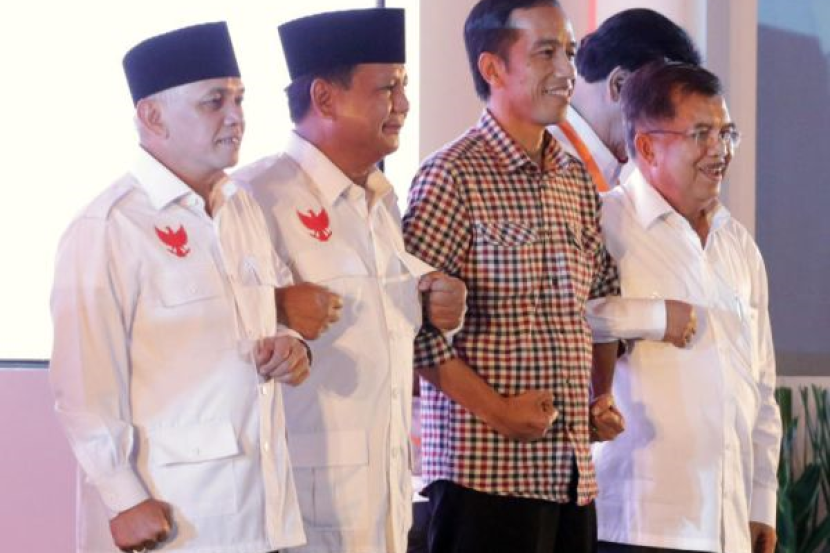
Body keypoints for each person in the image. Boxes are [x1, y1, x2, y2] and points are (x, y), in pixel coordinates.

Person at [49, 22, 309, 553]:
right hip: (172, 517)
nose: (235, 116)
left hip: (262, 509)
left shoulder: (240, 207)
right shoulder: (108, 227)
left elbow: (268, 313)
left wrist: (290, 345)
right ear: (152, 116)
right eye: (214, 101)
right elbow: (82, 386)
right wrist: (123, 498)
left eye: (239, 99)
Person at [232, 9, 466, 553]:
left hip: (383, 504)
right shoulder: (254, 197)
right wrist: (273, 307)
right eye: (387, 88)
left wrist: (436, 294)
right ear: (325, 97)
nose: (403, 104)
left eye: (404, 86)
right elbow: (210, 333)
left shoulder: (380, 200)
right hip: (300, 514)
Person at [401, 1, 622, 551]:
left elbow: (599, 302)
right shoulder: (451, 174)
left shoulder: (575, 179)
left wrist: (600, 397)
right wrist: (498, 412)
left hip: (571, 475)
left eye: (569, 52)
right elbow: (410, 327)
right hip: (485, 478)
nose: (566, 70)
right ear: (492, 68)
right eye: (546, 52)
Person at [589, 61, 781, 553]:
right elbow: (567, 319)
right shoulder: (603, 223)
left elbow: (761, 386)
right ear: (648, 146)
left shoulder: (737, 243)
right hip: (637, 523)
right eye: (700, 134)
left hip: (728, 523)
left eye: (726, 133)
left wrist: (761, 502)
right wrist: (654, 318)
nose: (720, 151)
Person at [549, 8, 701, 191]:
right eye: (664, 110)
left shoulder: (602, 165)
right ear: (619, 85)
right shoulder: (550, 163)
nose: (670, 129)